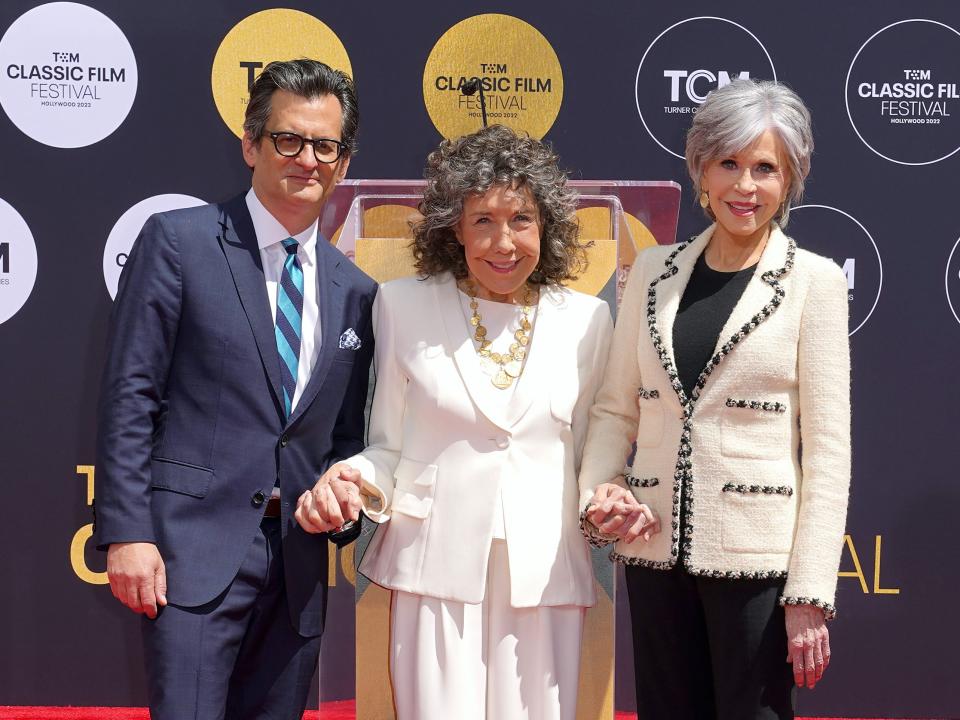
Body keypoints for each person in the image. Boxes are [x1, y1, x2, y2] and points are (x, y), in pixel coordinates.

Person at [296, 124, 613, 720]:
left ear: (546, 225)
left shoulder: (589, 320)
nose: (503, 242)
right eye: (482, 221)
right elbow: (386, 444)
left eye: (520, 219)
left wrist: (608, 494)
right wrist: (352, 478)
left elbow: (594, 451)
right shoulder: (401, 305)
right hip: (433, 564)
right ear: (453, 230)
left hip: (544, 571)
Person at [93, 59, 376, 720]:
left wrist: (344, 497)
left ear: (343, 162)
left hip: (299, 571)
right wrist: (128, 533)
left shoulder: (357, 292)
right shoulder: (179, 243)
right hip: (191, 556)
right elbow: (131, 394)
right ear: (251, 145)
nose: (307, 158)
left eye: (326, 146)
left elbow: (343, 439)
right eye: (289, 139)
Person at [579, 79, 850, 720]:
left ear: (790, 181)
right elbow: (617, 410)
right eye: (728, 163)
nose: (744, 185)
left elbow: (830, 452)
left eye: (765, 168)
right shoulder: (650, 272)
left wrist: (809, 591)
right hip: (653, 550)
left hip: (757, 562)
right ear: (701, 169)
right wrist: (599, 491)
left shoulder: (816, 282)